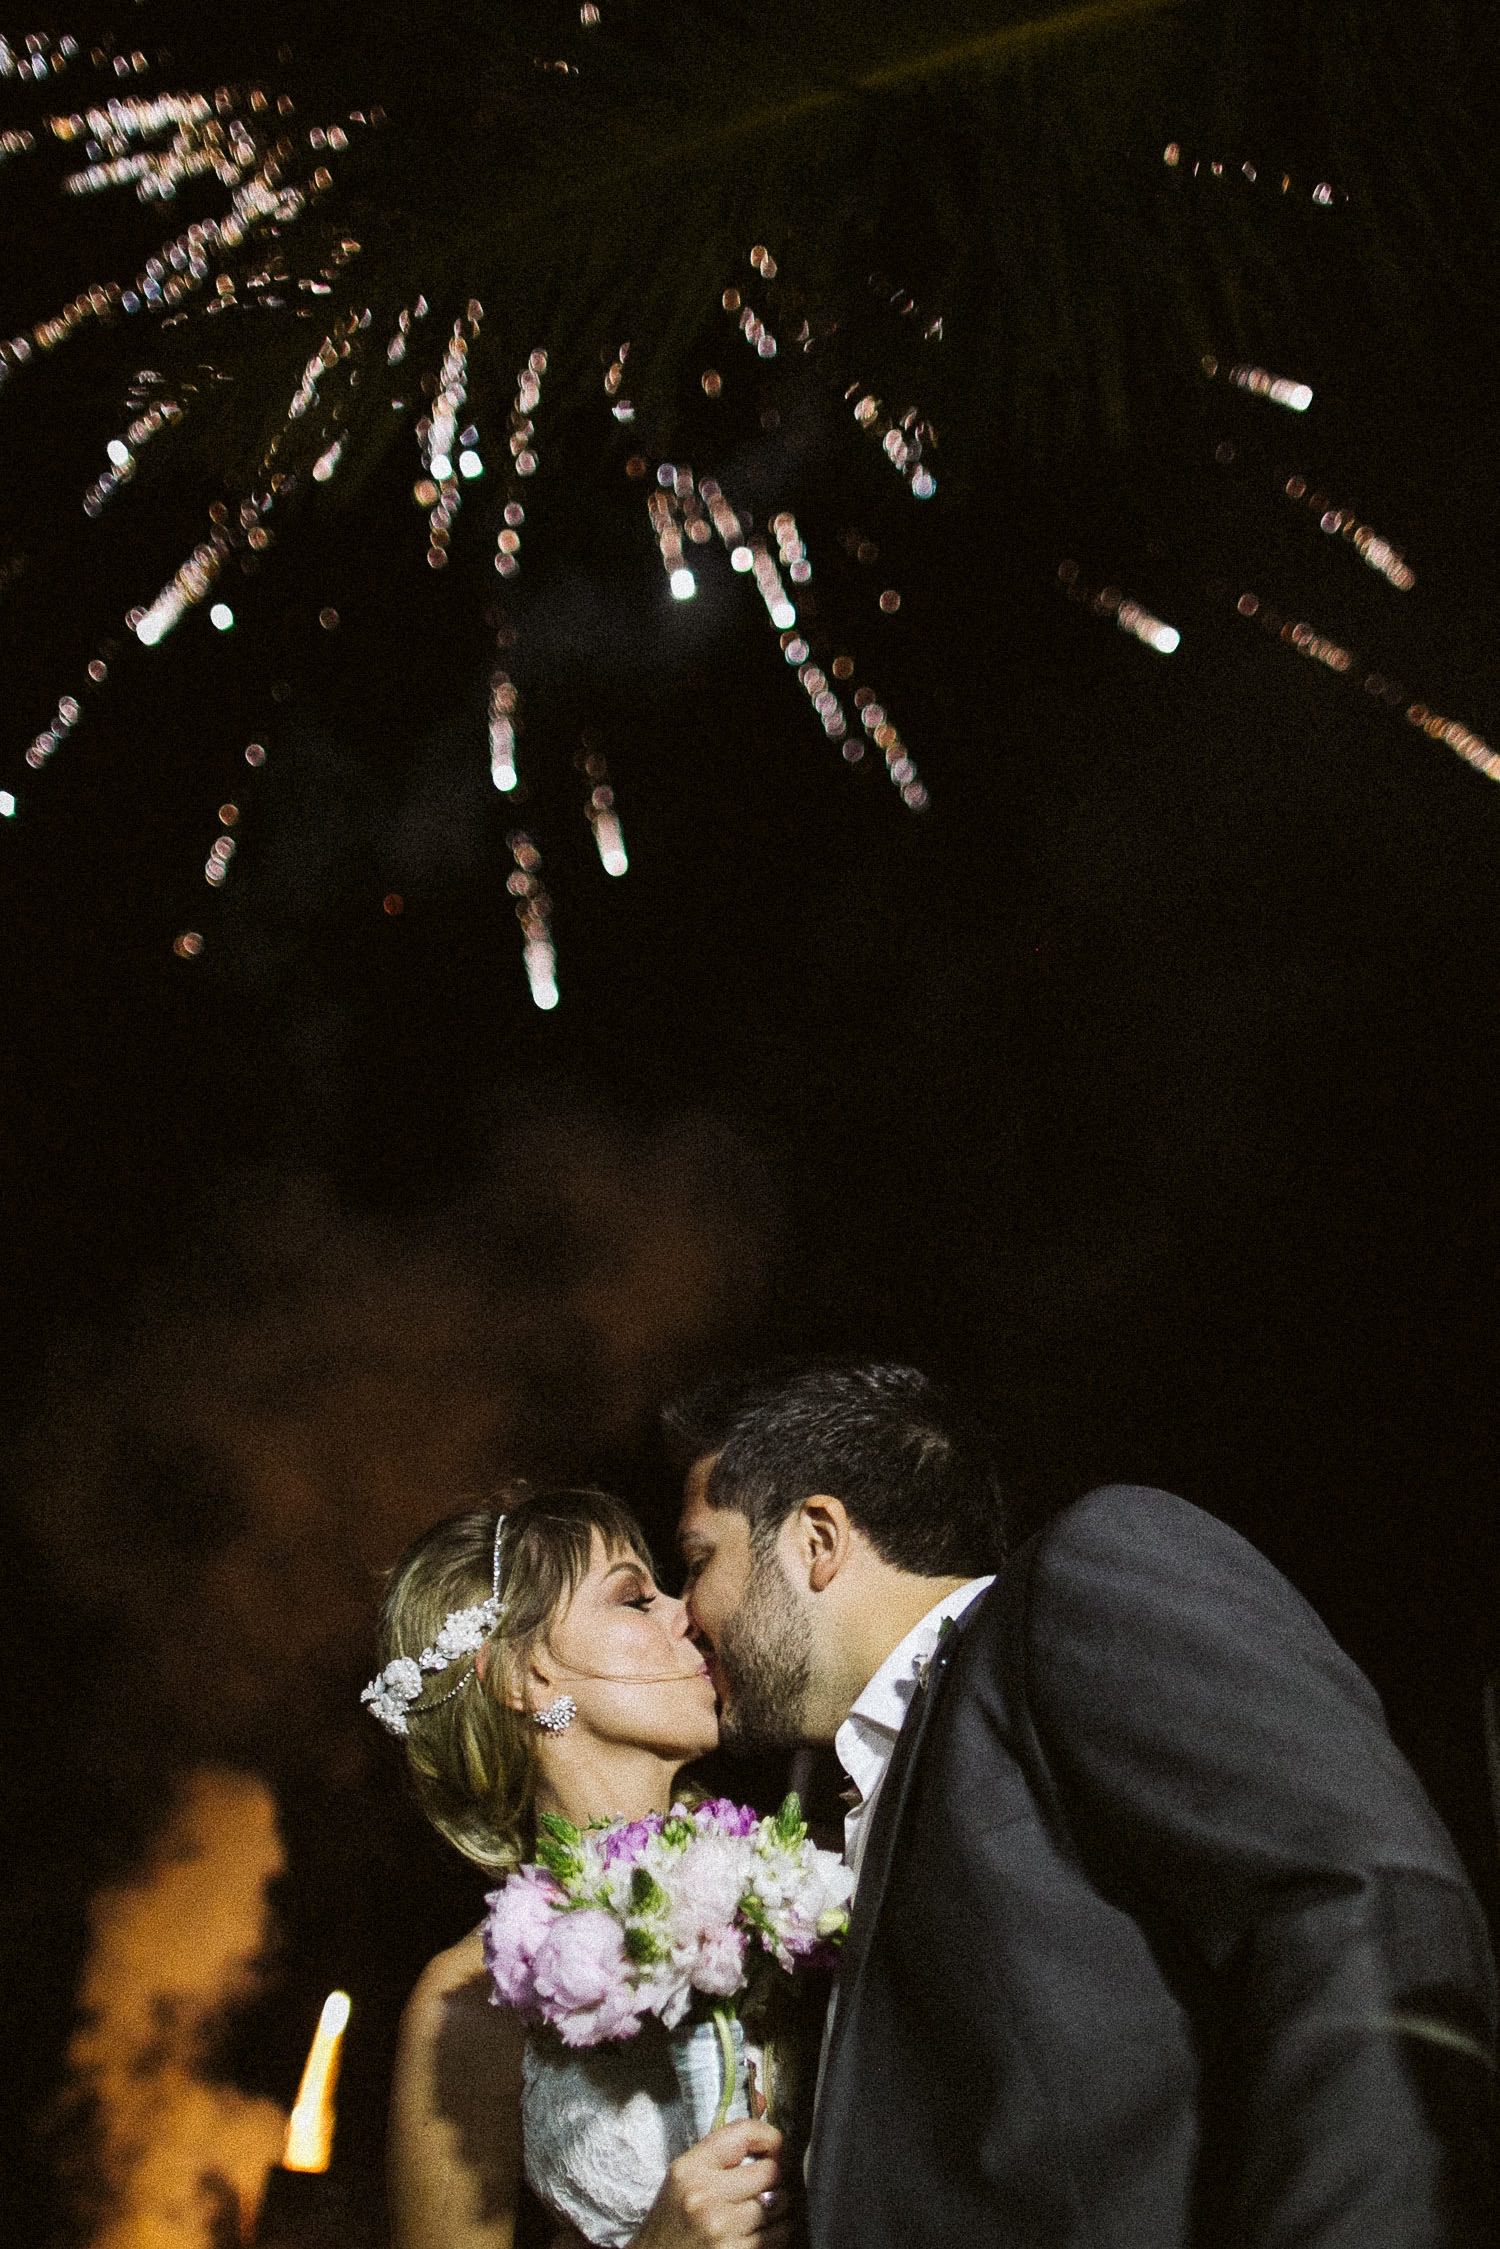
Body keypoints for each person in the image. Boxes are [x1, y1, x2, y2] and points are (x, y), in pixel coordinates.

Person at [669, 1361, 1499, 2249]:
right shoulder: (833, 1805)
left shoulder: (1081, 1582)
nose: (683, 1614)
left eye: (697, 1561)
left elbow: (1362, 1898)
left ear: (818, 1539)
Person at [370, 1485, 793, 2249]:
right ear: (523, 1676)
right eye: (635, 1597)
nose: (687, 1611)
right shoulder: (471, 1999)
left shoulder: (790, 1888)